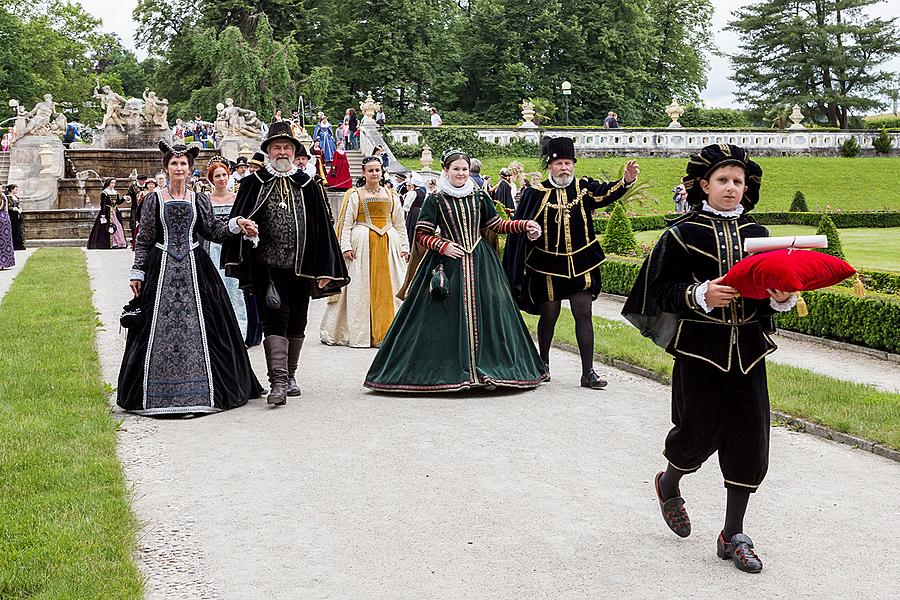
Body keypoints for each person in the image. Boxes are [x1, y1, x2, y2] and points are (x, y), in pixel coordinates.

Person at [622, 144, 797, 574]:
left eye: (738, 181)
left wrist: (781, 299)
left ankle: (732, 534)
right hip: (700, 354)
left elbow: (773, 288)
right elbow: (656, 291)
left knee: (749, 442)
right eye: (723, 180)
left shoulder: (759, 234)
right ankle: (670, 481)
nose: (731, 188)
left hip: (749, 355)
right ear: (704, 185)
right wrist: (699, 294)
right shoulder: (682, 234)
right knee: (694, 435)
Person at [364, 148, 548, 392]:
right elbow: (421, 233)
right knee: (440, 319)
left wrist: (525, 225)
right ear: (446, 171)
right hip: (447, 263)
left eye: (464, 169)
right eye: (456, 169)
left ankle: (487, 368)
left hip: (482, 263)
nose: (461, 173)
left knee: (492, 312)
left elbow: (497, 225)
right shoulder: (436, 199)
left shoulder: (481, 198)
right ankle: (447, 370)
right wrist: (443, 245)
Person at [118, 142, 263, 415]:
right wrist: (137, 271)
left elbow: (213, 231)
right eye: (174, 163)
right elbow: (145, 238)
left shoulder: (199, 199)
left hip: (196, 268)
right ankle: (158, 394)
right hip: (160, 268)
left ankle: (202, 391)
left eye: (183, 163)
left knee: (212, 327)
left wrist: (237, 224)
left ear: (190, 168)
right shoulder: (154, 199)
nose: (179, 168)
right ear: (167, 167)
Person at [221, 121, 349, 405]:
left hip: (302, 268)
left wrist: (326, 269)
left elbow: (322, 229)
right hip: (267, 267)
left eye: (286, 147)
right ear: (268, 151)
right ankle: (277, 382)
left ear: (293, 151)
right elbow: (239, 217)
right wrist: (246, 228)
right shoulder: (253, 183)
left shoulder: (309, 185)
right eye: (276, 147)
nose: (281, 152)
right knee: (273, 319)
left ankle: (290, 375)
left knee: (298, 321)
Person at [502, 136, 639, 389]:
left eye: (568, 163)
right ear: (550, 166)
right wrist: (530, 231)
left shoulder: (584, 188)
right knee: (549, 314)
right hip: (546, 267)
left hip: (581, 264)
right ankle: (543, 365)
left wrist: (626, 181)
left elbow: (606, 193)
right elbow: (521, 227)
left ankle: (588, 372)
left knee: (583, 312)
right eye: (559, 164)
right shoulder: (536, 192)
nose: (564, 168)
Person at [320, 157, 409, 347]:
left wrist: (404, 246)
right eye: (371, 170)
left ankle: (391, 332)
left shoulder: (392, 195)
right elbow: (346, 223)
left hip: (388, 245)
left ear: (382, 171)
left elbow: (400, 223)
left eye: (377, 170)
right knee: (360, 288)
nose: (375, 174)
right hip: (363, 247)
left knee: (393, 285)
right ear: (363, 173)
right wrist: (345, 246)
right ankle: (361, 334)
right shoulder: (355, 195)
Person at [203, 157, 248, 338]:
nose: (221, 179)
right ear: (211, 180)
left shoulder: (237, 198)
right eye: (217, 176)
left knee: (235, 290)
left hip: (233, 249)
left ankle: (239, 332)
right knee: (214, 288)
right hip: (213, 248)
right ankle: (216, 332)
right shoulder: (206, 200)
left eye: (224, 175)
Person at [87, 178, 128, 249]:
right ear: (108, 183)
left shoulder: (115, 192)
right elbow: (102, 204)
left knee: (117, 226)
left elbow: (118, 202)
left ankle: (117, 243)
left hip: (114, 212)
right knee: (106, 227)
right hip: (107, 212)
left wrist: (124, 198)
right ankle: (107, 244)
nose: (113, 185)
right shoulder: (104, 193)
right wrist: (103, 215)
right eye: (111, 183)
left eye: (114, 183)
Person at [4, 185, 25, 250]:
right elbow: (8, 206)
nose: (17, 191)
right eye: (16, 189)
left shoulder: (16, 197)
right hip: (12, 215)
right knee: (13, 229)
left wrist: (20, 208)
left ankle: (18, 245)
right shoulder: (8, 197)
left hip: (17, 215)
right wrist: (14, 209)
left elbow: (18, 205)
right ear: (12, 190)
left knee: (18, 229)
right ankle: (13, 245)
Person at [0, 188, 15, 270]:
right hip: (4, 218)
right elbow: (5, 209)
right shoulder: (4, 197)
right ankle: (5, 262)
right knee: (5, 240)